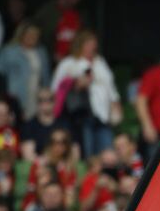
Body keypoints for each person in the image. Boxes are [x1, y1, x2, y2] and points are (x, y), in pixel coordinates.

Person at [50, 29, 121, 157]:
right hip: (82, 115)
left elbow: (110, 87)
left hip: (103, 114)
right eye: (89, 44)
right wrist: (76, 84)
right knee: (88, 153)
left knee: (107, 153)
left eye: (94, 44)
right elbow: (56, 89)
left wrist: (116, 104)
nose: (92, 47)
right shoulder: (69, 63)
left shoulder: (100, 62)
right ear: (80, 45)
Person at [0, 21, 50, 120]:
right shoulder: (9, 51)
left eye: (36, 35)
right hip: (15, 95)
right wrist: (3, 96)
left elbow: (46, 77)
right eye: (30, 34)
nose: (33, 37)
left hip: (36, 95)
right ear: (22, 34)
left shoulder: (41, 52)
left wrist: (47, 97)